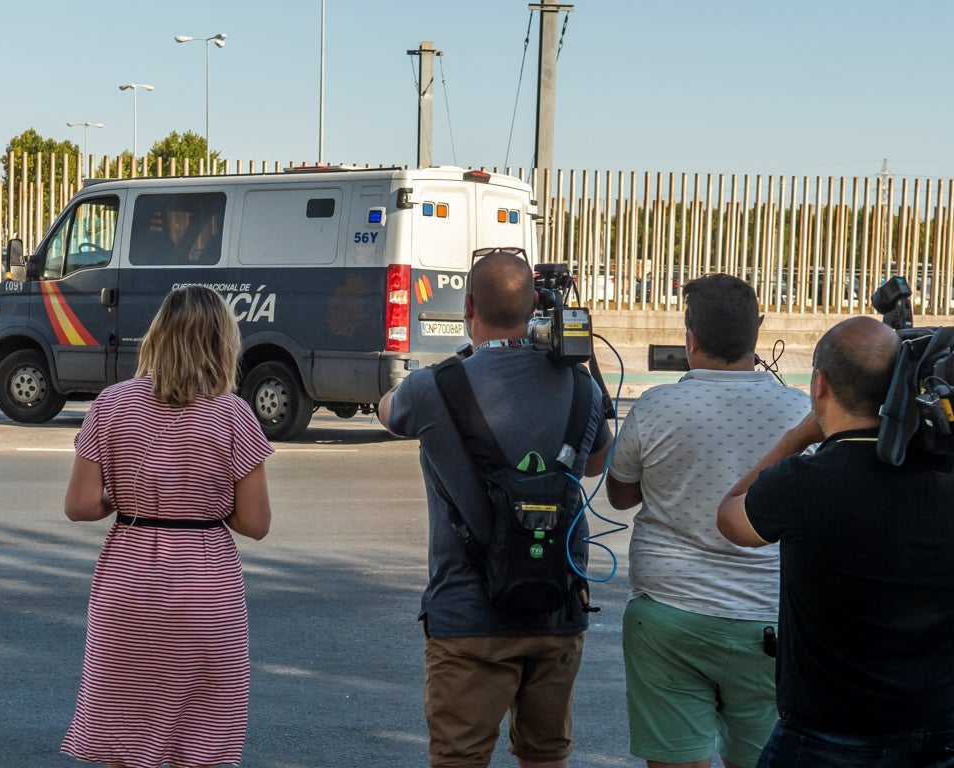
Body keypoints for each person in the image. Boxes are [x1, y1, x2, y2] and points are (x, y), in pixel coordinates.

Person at [378, 248, 612, 768]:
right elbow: (597, 465)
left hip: (467, 617)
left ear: (467, 306)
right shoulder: (581, 386)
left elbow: (387, 411)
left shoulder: (434, 387)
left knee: (459, 758)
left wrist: (465, 357)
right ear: (537, 307)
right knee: (547, 755)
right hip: (557, 610)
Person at [718, 316, 954, 767]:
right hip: (936, 727)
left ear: (820, 383)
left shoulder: (803, 482)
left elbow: (731, 517)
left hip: (827, 735)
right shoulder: (942, 474)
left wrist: (797, 436)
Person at [60, 285, 274, 768]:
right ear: (223, 342)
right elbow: (255, 523)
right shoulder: (234, 414)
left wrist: (125, 501)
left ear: (158, 335)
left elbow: (80, 505)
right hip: (205, 591)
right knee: (203, 736)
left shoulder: (112, 405)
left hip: (128, 587)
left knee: (126, 732)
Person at [605, 274, 810, 768]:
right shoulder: (801, 412)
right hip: (768, 621)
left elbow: (619, 495)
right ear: (757, 333)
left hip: (668, 618)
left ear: (690, 339)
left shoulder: (655, 406)